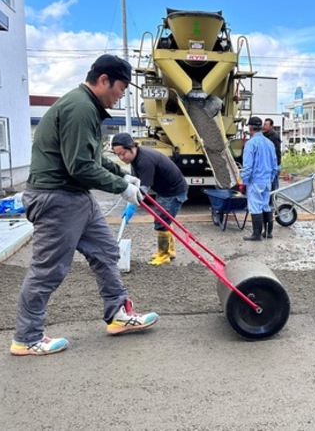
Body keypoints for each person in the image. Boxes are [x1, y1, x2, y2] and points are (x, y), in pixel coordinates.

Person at [10, 54, 158, 356]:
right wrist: (120, 187)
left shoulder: (87, 107)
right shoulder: (79, 108)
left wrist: (123, 175)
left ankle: (118, 315)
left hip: (76, 197)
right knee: (48, 269)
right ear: (104, 80)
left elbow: (91, 158)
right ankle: (26, 338)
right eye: (121, 88)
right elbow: (79, 166)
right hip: (56, 197)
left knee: (106, 251)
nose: (121, 95)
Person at [111, 133, 188, 266]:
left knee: (161, 221)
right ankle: (170, 250)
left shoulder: (145, 160)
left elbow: (143, 190)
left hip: (173, 191)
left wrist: (132, 205)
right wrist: (130, 203)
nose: (121, 157)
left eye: (123, 153)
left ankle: (164, 255)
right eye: (118, 155)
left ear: (132, 148)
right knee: (165, 218)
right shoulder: (135, 159)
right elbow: (136, 184)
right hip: (165, 190)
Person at [240, 116, 278, 241]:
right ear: (260, 127)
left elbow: (247, 166)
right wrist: (271, 179)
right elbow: (274, 165)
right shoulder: (269, 143)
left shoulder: (251, 144)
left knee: (255, 206)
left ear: (250, 128)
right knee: (265, 205)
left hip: (255, 181)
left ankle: (256, 234)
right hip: (267, 180)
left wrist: (244, 182)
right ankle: (268, 232)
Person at [262, 118, 282, 192]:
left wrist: (276, 164)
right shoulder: (263, 135)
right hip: (266, 164)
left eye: (266, 125)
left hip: (274, 164)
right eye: (264, 124)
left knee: (274, 184)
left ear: (271, 126)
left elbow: (277, 151)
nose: (264, 126)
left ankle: (274, 200)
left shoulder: (275, 136)